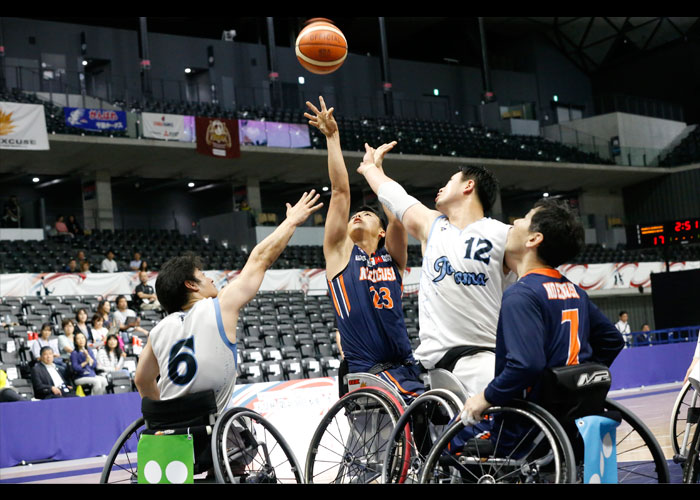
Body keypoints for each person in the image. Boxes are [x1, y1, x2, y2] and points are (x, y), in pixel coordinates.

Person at [134, 190, 323, 412]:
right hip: (210, 430)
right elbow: (260, 258)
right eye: (203, 275)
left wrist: (164, 416)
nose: (210, 278)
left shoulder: (158, 331)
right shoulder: (218, 307)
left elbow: (142, 380)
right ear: (191, 285)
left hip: (171, 434)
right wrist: (291, 222)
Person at [357, 146, 513, 398]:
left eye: (449, 181)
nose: (440, 188)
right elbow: (395, 196)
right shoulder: (433, 225)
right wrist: (370, 169)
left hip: (483, 357)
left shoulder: (503, 234)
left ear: (468, 186)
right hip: (435, 363)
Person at [460, 199, 625, 432]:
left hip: (526, 428)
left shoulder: (521, 294)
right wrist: (575, 379)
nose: (515, 222)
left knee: (453, 439)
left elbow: (525, 365)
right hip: (572, 417)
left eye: (524, 218)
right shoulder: (576, 292)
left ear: (534, 239)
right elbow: (613, 341)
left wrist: (486, 397)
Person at [304, 97, 423, 403]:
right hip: (365, 371)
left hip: (404, 365)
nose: (357, 215)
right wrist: (332, 137)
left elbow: (397, 214)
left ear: (381, 231)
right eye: (355, 215)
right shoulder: (339, 254)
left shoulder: (392, 257)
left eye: (368, 214)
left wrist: (377, 170)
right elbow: (341, 191)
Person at [70, 331, 108, 396]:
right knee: (97, 382)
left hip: (91, 374)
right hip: (80, 377)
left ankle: (103, 399)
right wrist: (85, 362)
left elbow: (94, 365)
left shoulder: (89, 351)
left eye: (82, 338)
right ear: (75, 342)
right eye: (78, 339)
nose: (81, 340)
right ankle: (95, 401)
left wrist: (88, 356)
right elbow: (75, 368)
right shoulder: (74, 353)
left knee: (104, 380)